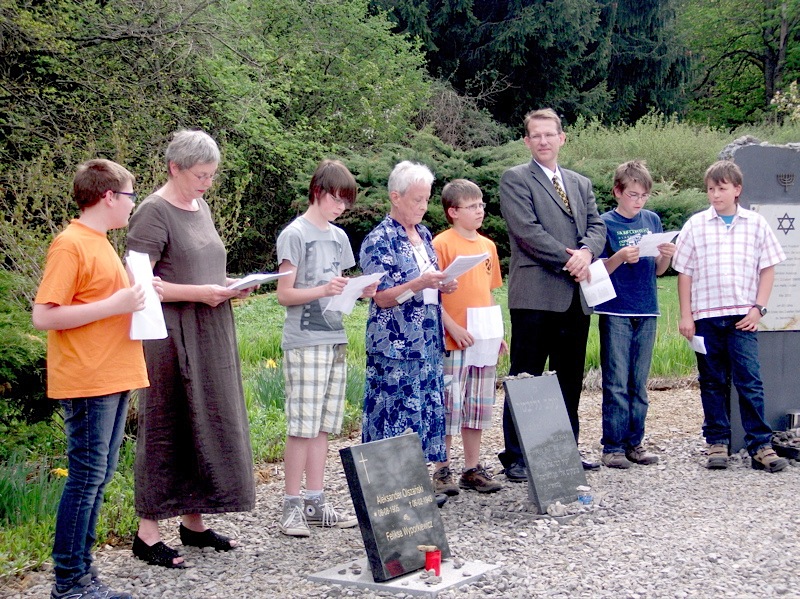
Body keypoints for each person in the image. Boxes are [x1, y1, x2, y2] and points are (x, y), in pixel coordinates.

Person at [127, 130, 256, 568]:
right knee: (168, 423)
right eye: (201, 175)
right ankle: (147, 533)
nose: (207, 183)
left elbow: (202, 267)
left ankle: (193, 522)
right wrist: (200, 293)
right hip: (170, 335)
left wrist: (230, 286)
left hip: (210, 328)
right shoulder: (152, 211)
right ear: (174, 168)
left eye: (212, 175)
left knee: (207, 418)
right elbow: (139, 284)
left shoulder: (200, 206)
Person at [32, 159, 154, 599]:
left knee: (98, 477)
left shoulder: (101, 243)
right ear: (108, 196)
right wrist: (116, 304)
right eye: (130, 195)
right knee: (85, 478)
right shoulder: (71, 244)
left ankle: (84, 576)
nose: (133, 204)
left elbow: (111, 302)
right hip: (88, 379)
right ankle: (69, 582)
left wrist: (142, 292)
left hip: (113, 374)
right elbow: (44, 315)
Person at [498, 108, 606, 481]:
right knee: (525, 377)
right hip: (535, 296)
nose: (543, 141)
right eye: (536, 135)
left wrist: (587, 253)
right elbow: (527, 231)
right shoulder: (515, 179)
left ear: (562, 138)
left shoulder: (580, 183)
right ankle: (516, 456)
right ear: (527, 141)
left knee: (569, 378)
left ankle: (564, 451)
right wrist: (570, 259)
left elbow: (597, 226)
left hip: (575, 298)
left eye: (550, 134)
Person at [275, 159, 377, 537]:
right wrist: (324, 289)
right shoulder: (294, 234)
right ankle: (291, 507)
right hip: (304, 340)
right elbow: (284, 294)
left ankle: (315, 501)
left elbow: (339, 285)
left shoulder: (339, 237)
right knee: (301, 427)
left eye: (346, 202)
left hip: (335, 336)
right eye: (336, 199)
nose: (341, 207)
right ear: (318, 192)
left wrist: (360, 289)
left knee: (322, 427)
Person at [673, 160, 788, 473]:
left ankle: (760, 446)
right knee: (712, 381)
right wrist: (686, 315)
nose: (715, 194)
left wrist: (758, 308)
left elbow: (767, 268)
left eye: (721, 188)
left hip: (742, 317)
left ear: (737, 190)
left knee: (750, 381)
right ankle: (717, 442)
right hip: (706, 317)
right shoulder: (695, 225)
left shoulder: (756, 224)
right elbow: (684, 273)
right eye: (711, 189)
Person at [359, 161, 457, 467]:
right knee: (393, 415)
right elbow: (383, 298)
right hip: (396, 345)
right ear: (396, 197)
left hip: (427, 340)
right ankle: (389, 486)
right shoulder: (379, 240)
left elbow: (427, 283)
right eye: (417, 199)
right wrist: (420, 283)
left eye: (426, 199)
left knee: (424, 412)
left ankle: (417, 484)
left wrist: (443, 285)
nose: (423, 206)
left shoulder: (424, 234)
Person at [595, 161, 676, 469]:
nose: (639, 201)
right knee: (616, 380)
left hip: (647, 307)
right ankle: (613, 446)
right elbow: (597, 270)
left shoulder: (652, 219)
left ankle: (635, 443)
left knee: (639, 383)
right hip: (615, 308)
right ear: (617, 192)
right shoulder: (605, 223)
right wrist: (618, 257)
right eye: (633, 195)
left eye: (644, 195)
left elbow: (658, 270)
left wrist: (665, 257)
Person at [431, 179, 504, 494]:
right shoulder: (441, 244)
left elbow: (487, 291)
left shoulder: (488, 246)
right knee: (450, 405)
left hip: (482, 338)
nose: (480, 211)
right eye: (472, 206)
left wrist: (496, 333)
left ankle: (472, 469)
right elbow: (431, 295)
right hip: (452, 339)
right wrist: (451, 326)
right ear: (453, 211)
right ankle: (442, 470)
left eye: (481, 204)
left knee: (477, 405)